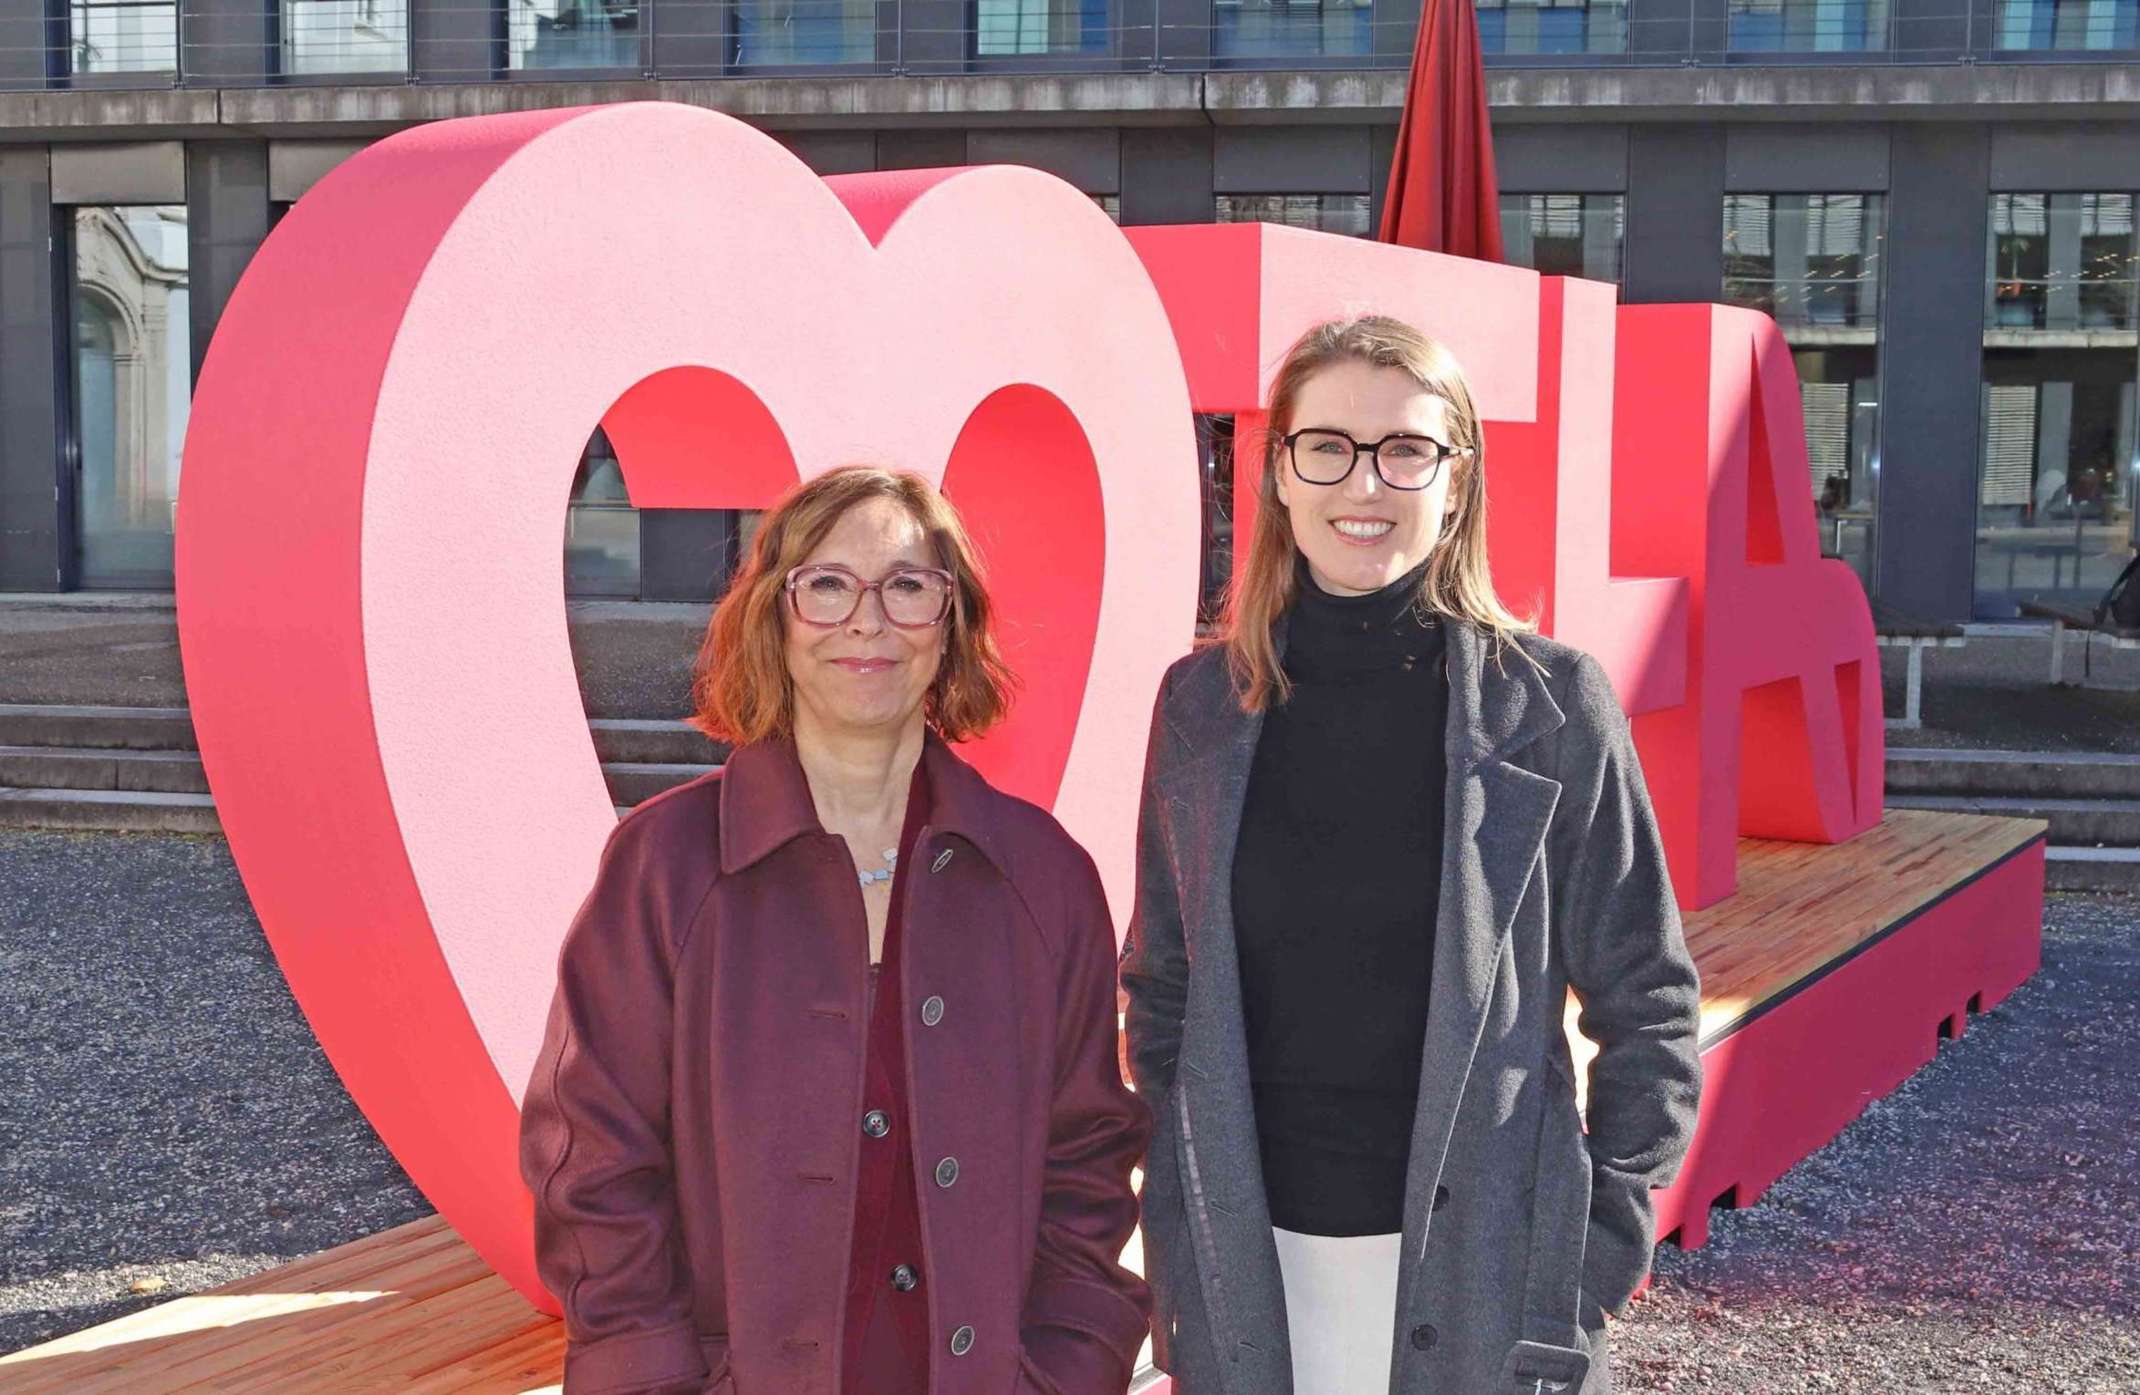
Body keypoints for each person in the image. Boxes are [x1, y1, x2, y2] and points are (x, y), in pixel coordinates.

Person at [1120, 316, 1704, 1395]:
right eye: (1328, 445)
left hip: (1485, 1279)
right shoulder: (1199, 706)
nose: (1366, 483)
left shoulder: (1551, 706)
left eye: (1406, 450)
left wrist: (1591, 1256)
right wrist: (1178, 1214)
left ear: (1456, 480)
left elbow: (1650, 1002)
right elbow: (1163, 989)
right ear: (1280, 474)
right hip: (1251, 1268)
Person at [520, 466, 1151, 1395]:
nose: (869, 621)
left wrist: (1066, 1365)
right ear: (773, 619)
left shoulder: (1044, 876)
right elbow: (594, 1155)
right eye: (826, 585)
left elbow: (1087, 1157)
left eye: (907, 586)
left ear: (952, 623)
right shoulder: (665, 868)